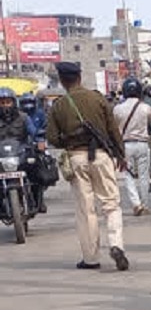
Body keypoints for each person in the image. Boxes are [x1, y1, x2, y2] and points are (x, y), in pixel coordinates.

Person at [46, 62, 129, 271]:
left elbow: (53, 139)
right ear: (80, 77)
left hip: (76, 158)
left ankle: (91, 258)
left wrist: (69, 139)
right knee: (111, 204)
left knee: (86, 209)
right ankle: (117, 245)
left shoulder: (59, 105)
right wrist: (121, 154)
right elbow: (113, 129)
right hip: (102, 156)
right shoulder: (98, 98)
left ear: (63, 81)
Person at [113, 78, 151, 216]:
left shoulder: (117, 109)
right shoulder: (145, 107)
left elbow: (113, 126)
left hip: (126, 145)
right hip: (143, 144)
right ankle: (145, 204)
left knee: (129, 175)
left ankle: (136, 204)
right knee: (144, 175)